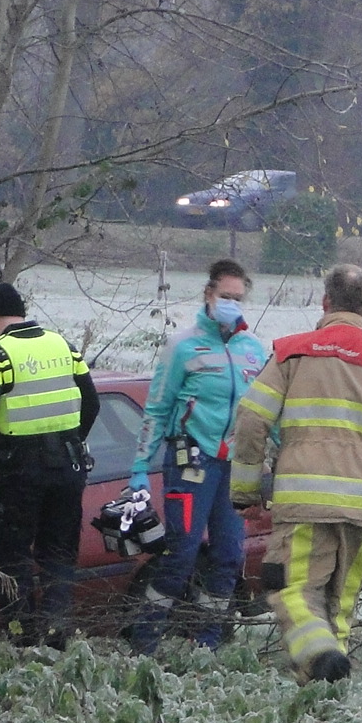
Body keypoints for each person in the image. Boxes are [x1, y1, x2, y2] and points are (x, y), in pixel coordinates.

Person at [230, 263, 362, 684]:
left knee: (294, 593)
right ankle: (324, 698)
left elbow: (251, 420)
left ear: (324, 303)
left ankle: (319, 657)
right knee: (339, 605)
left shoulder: (293, 354)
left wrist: (246, 493)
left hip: (304, 502)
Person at [126, 258, 269, 652]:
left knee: (227, 556)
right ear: (209, 295)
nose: (232, 305)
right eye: (226, 297)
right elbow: (156, 407)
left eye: (238, 299)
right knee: (181, 553)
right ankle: (146, 639)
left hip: (235, 467)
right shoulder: (183, 346)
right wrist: (140, 466)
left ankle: (206, 641)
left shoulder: (253, 350)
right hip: (192, 462)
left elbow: (263, 414)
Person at [0, 281, 100, 649]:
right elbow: (91, 403)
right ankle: (56, 634)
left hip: (19, 471)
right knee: (59, 554)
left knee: (13, 558)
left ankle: (22, 639)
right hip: (67, 468)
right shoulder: (62, 345)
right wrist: (69, 440)